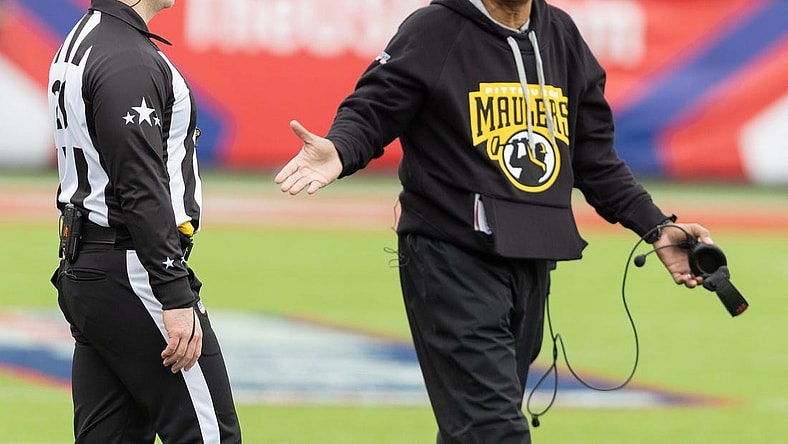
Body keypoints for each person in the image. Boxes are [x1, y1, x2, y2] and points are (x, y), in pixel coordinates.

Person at [275, 0, 714, 443]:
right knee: (494, 429)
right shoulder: (434, 29)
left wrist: (657, 227)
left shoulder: (561, 36)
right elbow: (373, 108)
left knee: (475, 428)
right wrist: (340, 149)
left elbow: (595, 160)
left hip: (532, 258)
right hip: (450, 259)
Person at [48, 1, 241, 442]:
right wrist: (173, 291)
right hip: (132, 269)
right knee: (210, 435)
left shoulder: (89, 39)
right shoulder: (126, 57)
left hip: (91, 265)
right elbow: (139, 185)